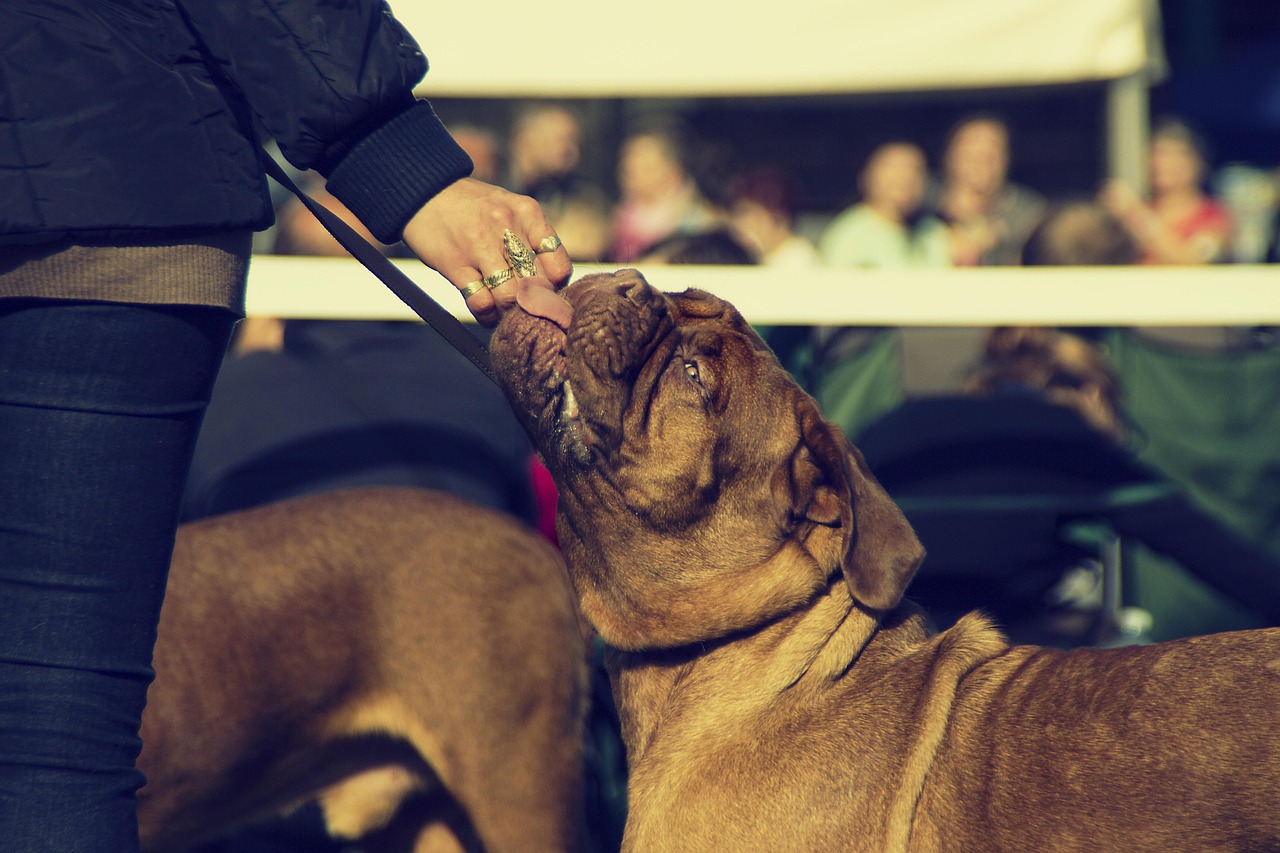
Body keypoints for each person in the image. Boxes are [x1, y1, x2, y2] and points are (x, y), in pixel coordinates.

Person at [0, 3, 572, 852]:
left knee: (53, 740)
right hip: (114, 193)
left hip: (103, 222)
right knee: (53, 743)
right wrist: (400, 162)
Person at [856, 326, 1280, 641]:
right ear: (1095, 393)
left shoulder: (896, 423)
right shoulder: (1069, 444)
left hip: (877, 645)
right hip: (977, 662)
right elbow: (1219, 557)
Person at [1099, 117, 1233, 265]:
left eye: (1175, 155)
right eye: (1157, 153)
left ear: (1197, 163)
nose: (1162, 163)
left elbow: (1192, 262)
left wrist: (1137, 213)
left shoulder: (1214, 216)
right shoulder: (1141, 210)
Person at [928, 113, 1047, 267]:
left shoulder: (1030, 215)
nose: (978, 165)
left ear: (1006, 159)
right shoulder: (922, 203)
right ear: (949, 159)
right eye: (969, 156)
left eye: (989, 156)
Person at [818, 141, 951, 269]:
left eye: (914, 169)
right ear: (865, 175)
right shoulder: (850, 234)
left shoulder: (931, 232)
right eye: (892, 168)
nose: (904, 177)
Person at [504, 101, 611, 263]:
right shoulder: (491, 185)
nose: (573, 151)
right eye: (563, 140)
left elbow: (589, 242)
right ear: (527, 139)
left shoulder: (579, 193)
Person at [609, 121, 719, 263]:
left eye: (645, 168)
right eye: (628, 165)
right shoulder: (616, 220)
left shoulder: (701, 227)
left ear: (674, 173)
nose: (630, 173)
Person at [728, 166, 822, 268]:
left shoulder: (799, 260)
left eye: (755, 216)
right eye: (739, 214)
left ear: (779, 218)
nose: (743, 224)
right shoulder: (763, 259)